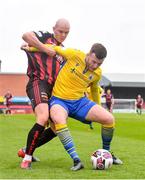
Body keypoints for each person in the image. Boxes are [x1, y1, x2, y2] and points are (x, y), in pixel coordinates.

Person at [29, 43, 123, 170]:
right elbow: (53, 48)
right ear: (89, 54)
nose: (95, 66)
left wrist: (98, 107)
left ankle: (106, 153)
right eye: (94, 62)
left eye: (99, 64)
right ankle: (76, 160)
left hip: (80, 102)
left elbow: (95, 90)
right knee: (59, 120)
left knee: (109, 119)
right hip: (59, 101)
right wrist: (31, 48)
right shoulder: (74, 55)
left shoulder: (97, 73)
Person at [19, 18, 70, 170]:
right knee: (42, 117)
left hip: (53, 89)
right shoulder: (44, 36)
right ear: (54, 28)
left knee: (56, 127)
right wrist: (44, 48)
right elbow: (26, 36)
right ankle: (26, 160)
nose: (63, 35)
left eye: (66, 33)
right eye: (60, 31)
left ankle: (25, 150)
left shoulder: (64, 51)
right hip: (38, 82)